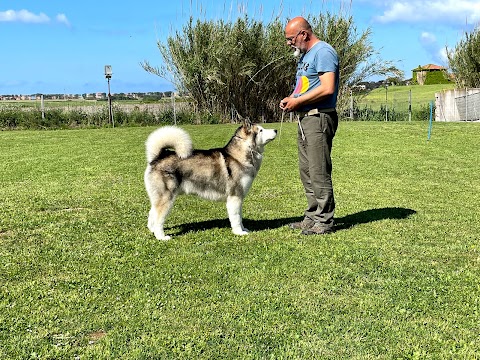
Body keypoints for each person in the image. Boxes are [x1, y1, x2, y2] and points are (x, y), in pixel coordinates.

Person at [280, 16, 339, 235]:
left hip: (319, 118)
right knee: (306, 170)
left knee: (318, 170)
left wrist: (298, 101)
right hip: (305, 118)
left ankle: (324, 220)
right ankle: (312, 215)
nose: (289, 43)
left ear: (303, 34)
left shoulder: (323, 52)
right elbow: (306, 86)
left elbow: (327, 88)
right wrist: (291, 98)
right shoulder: (306, 56)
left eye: (290, 39)